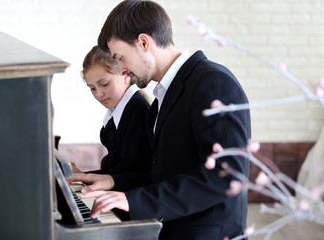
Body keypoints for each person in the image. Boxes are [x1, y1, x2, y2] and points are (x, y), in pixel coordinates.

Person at [81, 1, 251, 239]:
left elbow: (227, 177)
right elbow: (165, 173)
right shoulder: (163, 96)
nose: (121, 69)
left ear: (143, 42)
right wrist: (113, 181)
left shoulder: (213, 82)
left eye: (120, 57)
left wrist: (134, 200)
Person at [69, 45, 152, 196]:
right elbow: (116, 173)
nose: (99, 94)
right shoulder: (120, 110)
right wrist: (82, 175)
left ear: (125, 74)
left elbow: (139, 176)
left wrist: (84, 177)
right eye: (92, 88)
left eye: (104, 84)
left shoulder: (137, 110)